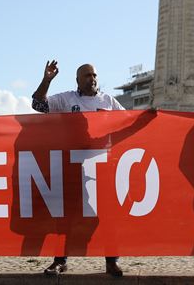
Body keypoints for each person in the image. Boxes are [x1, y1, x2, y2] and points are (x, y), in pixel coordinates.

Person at [31, 60, 125, 277]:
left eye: (94, 75)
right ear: (77, 80)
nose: (92, 79)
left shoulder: (109, 101)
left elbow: (127, 121)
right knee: (66, 216)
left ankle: (111, 261)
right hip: (72, 166)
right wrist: (47, 80)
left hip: (101, 165)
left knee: (107, 215)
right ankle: (60, 261)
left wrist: (148, 116)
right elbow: (38, 105)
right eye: (87, 76)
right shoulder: (66, 99)